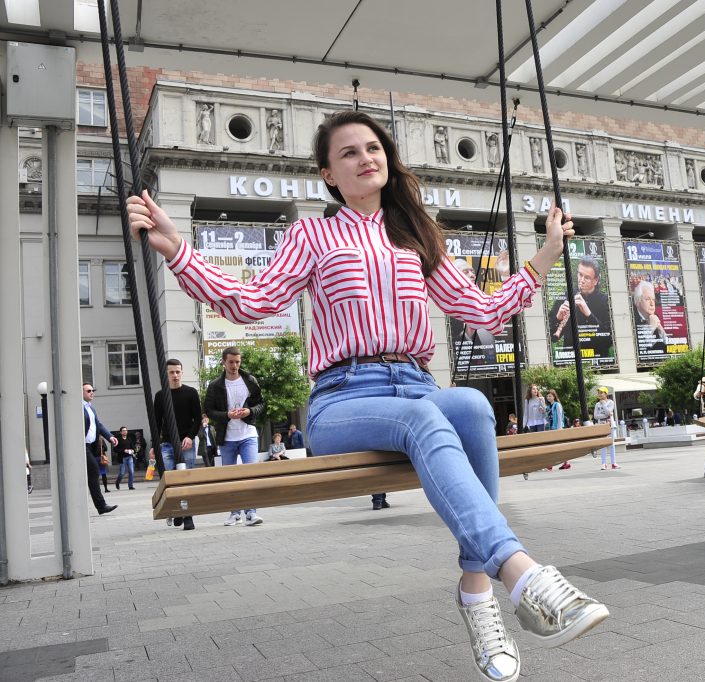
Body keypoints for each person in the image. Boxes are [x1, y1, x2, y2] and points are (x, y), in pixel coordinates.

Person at [126, 109, 608, 681]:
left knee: (474, 407)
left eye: (373, 148)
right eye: (349, 153)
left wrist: (548, 252)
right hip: (342, 397)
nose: (365, 158)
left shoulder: (415, 239)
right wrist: (178, 248)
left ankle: (476, 590)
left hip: (416, 382)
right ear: (329, 174)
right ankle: (524, 577)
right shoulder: (313, 234)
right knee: (424, 421)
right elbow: (249, 303)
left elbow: (482, 311)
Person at [203, 347, 266, 527]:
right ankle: (234, 513)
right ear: (223, 362)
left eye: (237, 361)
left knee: (250, 474)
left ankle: (251, 513)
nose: (234, 365)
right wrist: (226, 415)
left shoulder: (250, 381)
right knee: (230, 477)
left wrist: (249, 411)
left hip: (248, 435)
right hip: (227, 438)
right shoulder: (215, 385)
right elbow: (209, 410)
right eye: (231, 362)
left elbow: (261, 404)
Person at [154, 358, 203, 531]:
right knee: (170, 480)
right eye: (171, 372)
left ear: (182, 372)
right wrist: (155, 445)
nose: (175, 375)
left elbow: (198, 418)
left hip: (186, 443)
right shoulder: (161, 396)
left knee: (186, 480)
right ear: (166, 375)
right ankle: (177, 511)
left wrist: (190, 437)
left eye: (177, 371)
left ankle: (188, 516)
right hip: (167, 443)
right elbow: (156, 423)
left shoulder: (191, 393)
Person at [548, 257, 612, 358]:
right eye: (580, 275)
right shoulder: (566, 296)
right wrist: (558, 318)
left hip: (598, 360)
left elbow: (609, 341)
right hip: (570, 362)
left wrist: (589, 314)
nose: (581, 280)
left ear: (596, 280)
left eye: (586, 277)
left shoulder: (605, 301)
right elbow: (551, 337)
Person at [82, 384, 117, 515]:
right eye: (88, 391)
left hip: (91, 447)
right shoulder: (77, 407)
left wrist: (110, 437)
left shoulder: (90, 408)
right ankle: (101, 506)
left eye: (93, 391)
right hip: (81, 446)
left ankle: (100, 506)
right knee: (94, 471)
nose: (92, 393)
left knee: (91, 474)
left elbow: (98, 425)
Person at [632, 280, 667, 354]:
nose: (652, 304)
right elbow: (639, 348)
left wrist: (661, 329)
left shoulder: (654, 316)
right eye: (647, 299)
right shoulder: (632, 319)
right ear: (638, 302)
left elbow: (667, 344)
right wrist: (651, 328)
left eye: (653, 299)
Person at [594, 387, 619, 470]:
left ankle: (613, 463)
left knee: (611, 444)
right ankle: (603, 463)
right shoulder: (597, 404)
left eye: (601, 392)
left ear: (606, 393)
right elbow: (595, 416)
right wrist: (606, 415)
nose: (600, 394)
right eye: (599, 393)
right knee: (603, 445)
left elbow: (610, 412)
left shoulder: (611, 402)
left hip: (610, 424)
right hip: (601, 425)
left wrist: (604, 404)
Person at [546, 389, 570, 470]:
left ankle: (565, 463)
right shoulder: (549, 407)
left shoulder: (557, 405)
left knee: (559, 446)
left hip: (558, 428)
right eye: (548, 396)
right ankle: (563, 463)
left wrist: (559, 429)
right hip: (552, 428)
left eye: (550, 396)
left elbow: (560, 417)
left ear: (554, 397)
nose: (548, 397)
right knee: (553, 446)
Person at [113, 426, 137, 490]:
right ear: (121, 432)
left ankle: (130, 486)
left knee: (131, 472)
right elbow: (115, 450)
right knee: (122, 473)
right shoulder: (118, 440)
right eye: (123, 430)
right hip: (122, 458)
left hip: (129, 457)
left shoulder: (129, 439)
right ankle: (117, 482)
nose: (125, 431)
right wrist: (123, 450)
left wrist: (132, 450)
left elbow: (133, 447)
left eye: (126, 430)